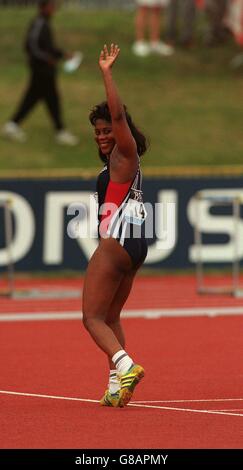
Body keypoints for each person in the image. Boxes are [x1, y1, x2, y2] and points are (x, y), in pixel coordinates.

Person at [82, 44, 148, 407]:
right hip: (136, 242)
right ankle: (115, 385)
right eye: (97, 131)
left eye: (106, 129)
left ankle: (126, 365)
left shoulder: (125, 152)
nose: (101, 135)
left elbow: (120, 117)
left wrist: (106, 72)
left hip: (119, 241)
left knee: (90, 317)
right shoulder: (118, 164)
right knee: (110, 316)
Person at [2, 0, 78, 146]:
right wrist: (47, 59)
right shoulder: (38, 23)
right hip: (41, 70)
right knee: (50, 99)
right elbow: (31, 46)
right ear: (43, 7)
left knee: (36, 98)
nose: (53, 9)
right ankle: (60, 131)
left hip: (45, 71)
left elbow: (48, 47)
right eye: (51, 6)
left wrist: (63, 54)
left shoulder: (45, 23)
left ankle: (12, 125)